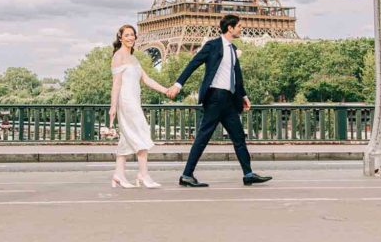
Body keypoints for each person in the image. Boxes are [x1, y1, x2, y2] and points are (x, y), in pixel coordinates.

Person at [166, 14, 272, 187]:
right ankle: (186, 175)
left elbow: (237, 77)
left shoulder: (233, 49)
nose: (241, 29)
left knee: (239, 137)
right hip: (215, 97)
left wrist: (244, 96)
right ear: (230, 28)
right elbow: (193, 63)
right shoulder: (212, 45)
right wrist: (178, 84)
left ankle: (248, 173)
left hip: (229, 100)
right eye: (239, 26)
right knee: (203, 137)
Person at [109, 24, 170, 188]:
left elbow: (147, 80)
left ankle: (118, 174)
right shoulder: (118, 56)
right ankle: (143, 175)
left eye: (132, 35)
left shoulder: (134, 58)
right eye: (127, 35)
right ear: (120, 37)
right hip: (126, 101)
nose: (130, 38)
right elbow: (116, 84)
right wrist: (113, 106)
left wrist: (166, 90)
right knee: (141, 132)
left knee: (127, 138)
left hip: (134, 100)